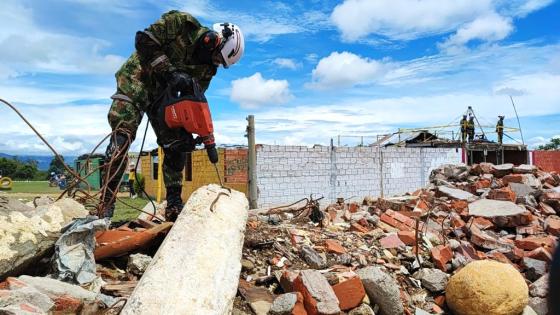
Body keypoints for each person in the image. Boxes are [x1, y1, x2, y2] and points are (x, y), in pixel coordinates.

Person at [100, 10, 245, 220]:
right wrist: (170, 72)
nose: (214, 63)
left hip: (164, 98)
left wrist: (186, 133)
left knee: (176, 145)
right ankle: (106, 203)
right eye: (216, 57)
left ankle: (174, 205)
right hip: (138, 79)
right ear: (212, 40)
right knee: (122, 136)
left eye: (218, 62)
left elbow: (191, 102)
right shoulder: (180, 24)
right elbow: (143, 40)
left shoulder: (206, 71)